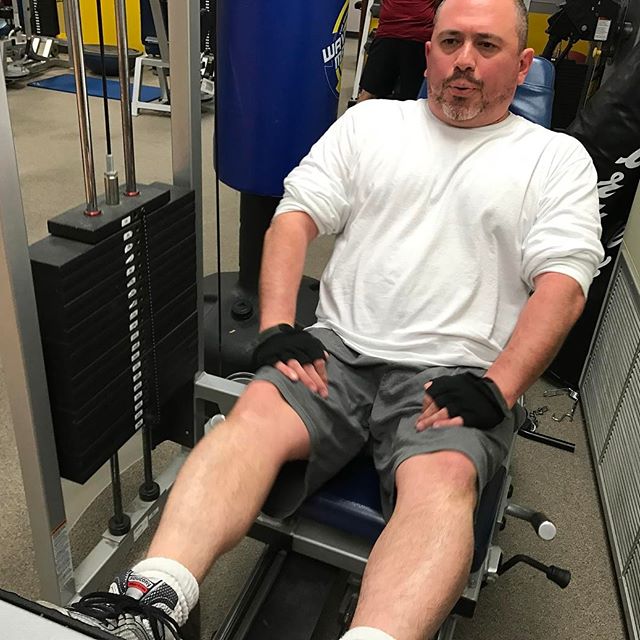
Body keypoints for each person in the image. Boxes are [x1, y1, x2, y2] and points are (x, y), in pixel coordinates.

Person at [51, 0, 604, 638]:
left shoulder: (555, 160)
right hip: (336, 350)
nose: (464, 62)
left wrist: (498, 388)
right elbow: (295, 215)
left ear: (523, 62)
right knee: (249, 420)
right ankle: (145, 605)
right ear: (427, 51)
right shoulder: (371, 125)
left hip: (453, 374)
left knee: (444, 477)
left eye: (487, 46)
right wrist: (277, 327)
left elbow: (563, 285)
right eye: (450, 41)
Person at [358, 0, 440, 102]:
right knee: (368, 93)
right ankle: (355, 117)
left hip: (418, 37)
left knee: (414, 99)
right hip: (388, 33)